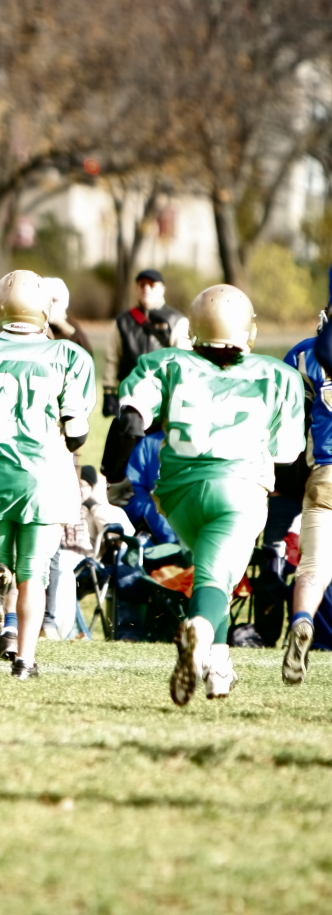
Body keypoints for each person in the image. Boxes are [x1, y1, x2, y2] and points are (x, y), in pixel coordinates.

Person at [102, 284, 302, 704]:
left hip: (179, 496)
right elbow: (286, 453)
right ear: (247, 329)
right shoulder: (277, 374)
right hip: (239, 492)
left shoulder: (166, 362)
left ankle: (219, 667)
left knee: (216, 573)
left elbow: (130, 422)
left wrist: (113, 475)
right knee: (215, 578)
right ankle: (200, 632)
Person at [0, 270, 95, 679]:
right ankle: (25, 660)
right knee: (34, 574)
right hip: (44, 473)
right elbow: (77, 435)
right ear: (44, 310)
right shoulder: (69, 355)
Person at [277, 301, 332, 686]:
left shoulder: (304, 354)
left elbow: (285, 419)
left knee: (313, 566)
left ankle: (302, 621)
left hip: (325, 472)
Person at [102, 269, 189, 417]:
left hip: (164, 398)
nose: (146, 289)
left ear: (162, 289)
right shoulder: (122, 322)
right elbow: (112, 358)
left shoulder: (177, 321)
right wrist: (109, 391)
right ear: (136, 288)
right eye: (142, 285)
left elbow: (183, 363)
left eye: (152, 285)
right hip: (129, 397)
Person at [43, 276, 93, 357]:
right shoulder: (32, 328)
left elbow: (87, 357)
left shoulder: (74, 331)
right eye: (46, 301)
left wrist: (64, 328)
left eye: (54, 300)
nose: (50, 305)